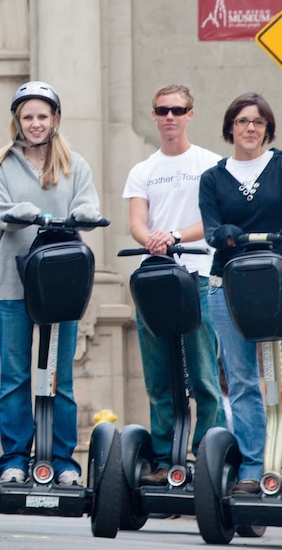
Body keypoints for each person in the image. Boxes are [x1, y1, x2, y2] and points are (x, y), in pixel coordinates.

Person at [0, 80, 101, 486]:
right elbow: (2, 213)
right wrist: (29, 212)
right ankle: (14, 458)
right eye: (28, 116)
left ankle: (63, 461)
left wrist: (82, 213)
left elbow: (88, 204)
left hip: (60, 282)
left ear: (55, 120)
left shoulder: (74, 165)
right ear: (17, 120)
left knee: (59, 378)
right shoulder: (1, 167)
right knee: (15, 375)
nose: (35, 123)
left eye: (42, 116)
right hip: (12, 284)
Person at [122, 84, 227, 486]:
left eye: (178, 110)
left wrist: (174, 235)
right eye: (163, 110)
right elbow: (136, 221)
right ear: (154, 115)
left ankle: (207, 454)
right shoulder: (142, 170)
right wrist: (150, 238)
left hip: (199, 277)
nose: (170, 116)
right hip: (157, 279)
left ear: (190, 114)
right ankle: (166, 459)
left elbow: (213, 220)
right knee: (160, 376)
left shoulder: (209, 165)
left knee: (202, 375)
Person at [199, 92, 282, 495]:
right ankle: (253, 468)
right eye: (241, 121)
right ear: (230, 128)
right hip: (228, 288)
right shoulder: (213, 178)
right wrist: (223, 235)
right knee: (241, 381)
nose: (249, 128)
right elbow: (210, 228)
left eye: (257, 122)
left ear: (267, 128)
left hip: (281, 286)